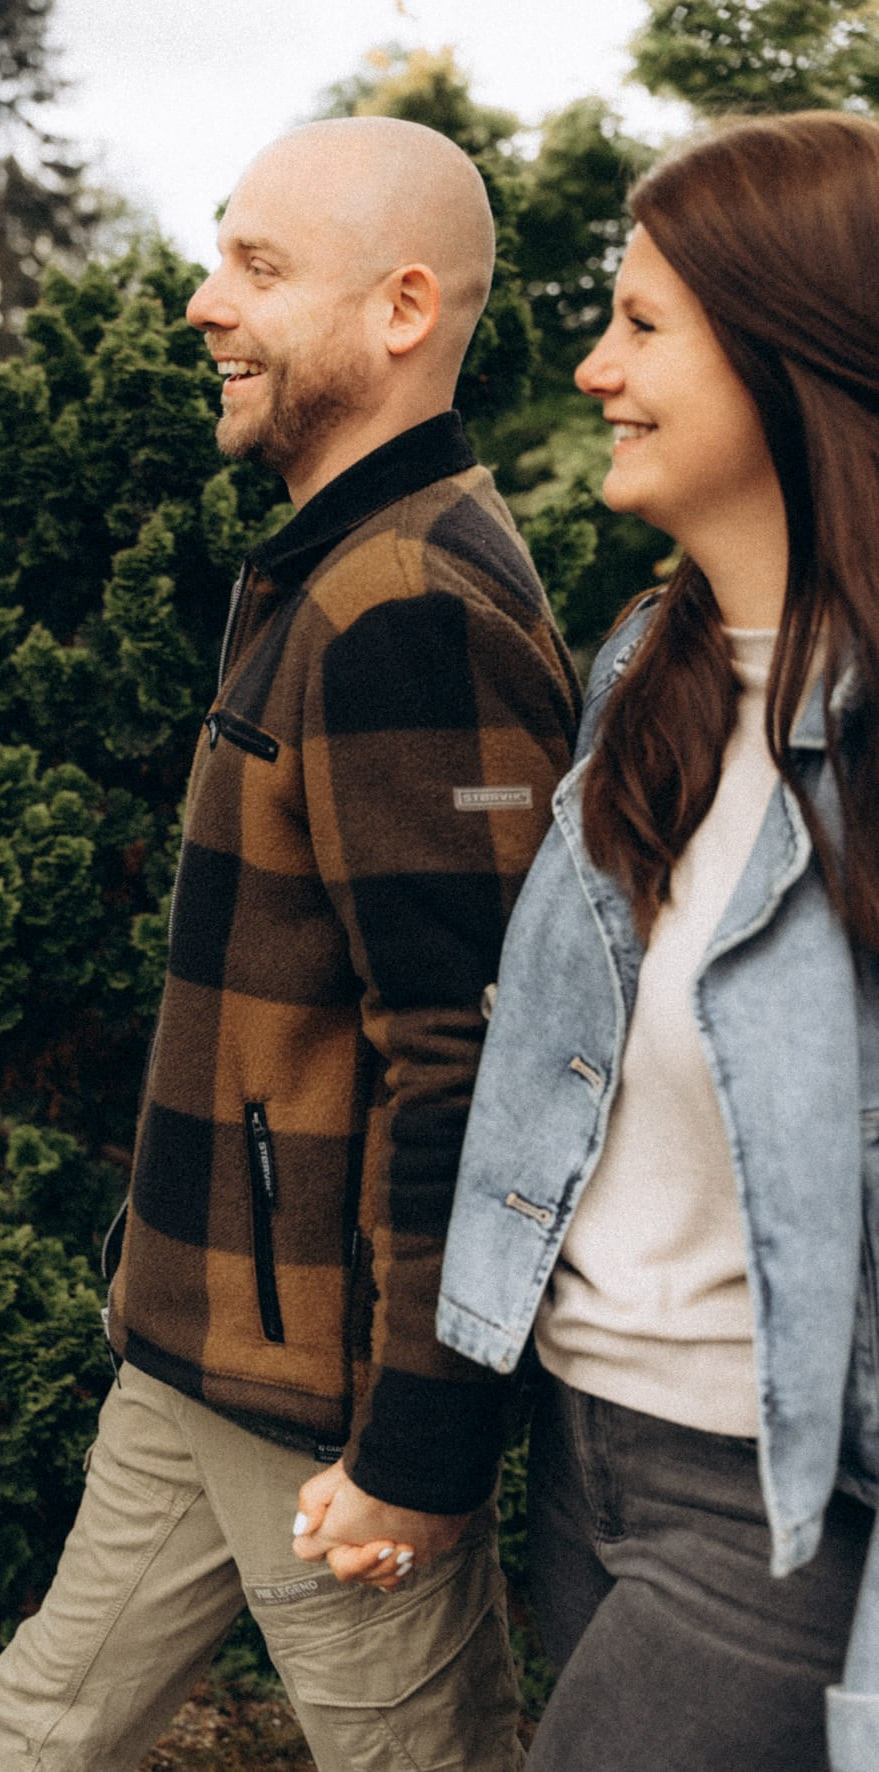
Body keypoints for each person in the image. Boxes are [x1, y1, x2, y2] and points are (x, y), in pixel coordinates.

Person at [0, 115, 580, 1772]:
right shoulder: (329, 569)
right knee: (38, 1728)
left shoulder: (407, 608)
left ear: (400, 310)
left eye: (257, 265)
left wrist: (420, 1447)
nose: (201, 303)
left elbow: (475, 1058)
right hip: (197, 1338)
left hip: (322, 1392)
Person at [435, 110, 879, 1772]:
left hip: (780, 1506)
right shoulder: (647, 670)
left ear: (787, 353)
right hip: (581, 1440)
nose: (592, 369)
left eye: (639, 323)